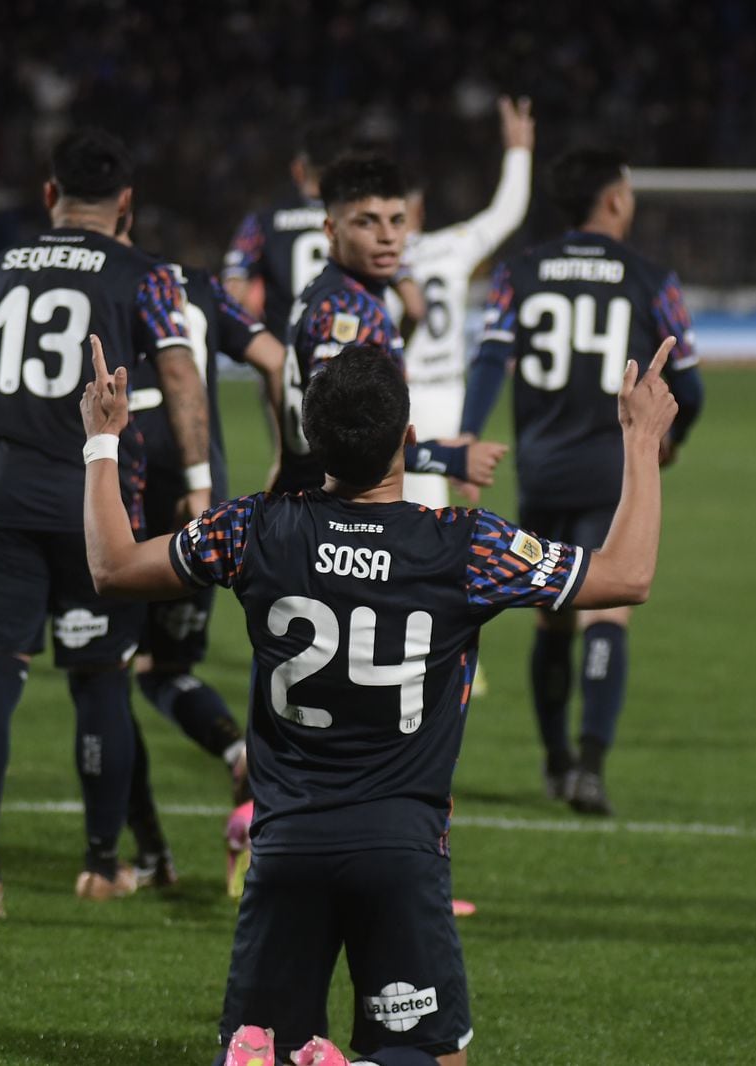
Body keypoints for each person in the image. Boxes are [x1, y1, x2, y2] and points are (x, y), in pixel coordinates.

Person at [77, 333, 680, 1066]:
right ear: (410, 440)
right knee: (432, 1057)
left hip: (285, 846)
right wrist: (640, 439)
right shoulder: (465, 546)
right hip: (399, 850)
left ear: (311, 439)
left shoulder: (254, 530)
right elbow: (627, 576)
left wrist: (102, 443)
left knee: (261, 1050)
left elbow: (112, 568)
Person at [0, 128, 211, 920]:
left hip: (1, 498)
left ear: (49, 197)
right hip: (94, 500)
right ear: (126, 205)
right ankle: (99, 864)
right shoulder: (144, 275)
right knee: (100, 680)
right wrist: (199, 482)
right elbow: (181, 374)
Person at [459, 146, 706, 816]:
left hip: (540, 469)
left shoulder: (519, 272)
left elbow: (489, 357)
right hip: (610, 468)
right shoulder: (650, 278)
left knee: (549, 617)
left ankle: (555, 761)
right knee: (607, 611)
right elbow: (691, 385)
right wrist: (669, 443)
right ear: (615, 198)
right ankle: (591, 767)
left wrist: (468, 430)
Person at [111, 217, 285, 891]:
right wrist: (283, 457)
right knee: (164, 666)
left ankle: (144, 854)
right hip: (199, 501)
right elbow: (274, 360)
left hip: (123, 491)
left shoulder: (101, 280)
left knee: (107, 672)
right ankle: (237, 749)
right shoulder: (199, 285)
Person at [278, 152, 506, 496]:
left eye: (397, 221)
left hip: (311, 507)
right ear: (331, 229)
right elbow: (345, 436)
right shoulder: (348, 310)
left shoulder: (335, 293)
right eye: (366, 222)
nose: (387, 236)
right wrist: (449, 459)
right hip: (329, 518)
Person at [400, 96, 533, 510]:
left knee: (414, 525)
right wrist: (519, 152)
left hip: (407, 401)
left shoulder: (371, 260)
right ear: (420, 209)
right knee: (446, 528)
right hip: (453, 397)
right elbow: (505, 214)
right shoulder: (451, 247)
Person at [222, 118, 350, 336]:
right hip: (346, 340)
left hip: (286, 349)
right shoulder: (356, 216)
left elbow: (233, 289)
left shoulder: (264, 220)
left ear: (298, 170)